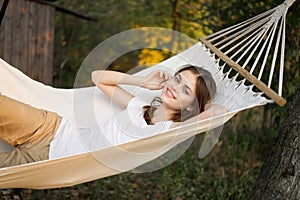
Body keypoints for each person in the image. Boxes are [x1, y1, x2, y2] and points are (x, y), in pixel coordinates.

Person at [0, 64, 225, 168]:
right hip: (51, 127)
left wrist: (197, 109)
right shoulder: (138, 106)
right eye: (177, 79)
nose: (175, 88)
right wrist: (141, 81)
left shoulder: (169, 132)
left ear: (191, 107)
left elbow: (218, 112)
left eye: (185, 90)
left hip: (45, 162)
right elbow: (98, 77)